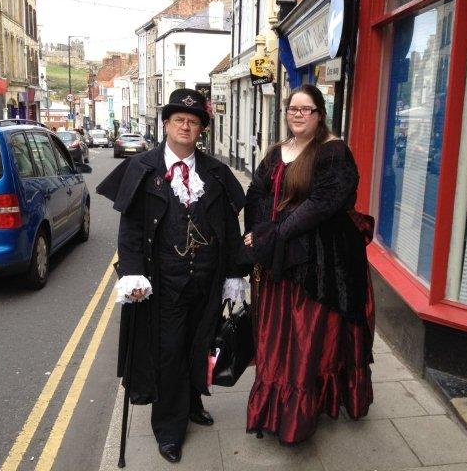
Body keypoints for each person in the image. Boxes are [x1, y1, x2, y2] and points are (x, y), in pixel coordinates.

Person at [96, 88, 249, 463]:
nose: (186, 125)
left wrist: (235, 272)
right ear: (165, 124)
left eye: (194, 122)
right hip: (163, 285)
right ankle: (168, 427)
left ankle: (193, 402)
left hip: (207, 282)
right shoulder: (143, 169)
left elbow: (229, 227)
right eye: (179, 119)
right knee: (168, 353)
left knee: (201, 344)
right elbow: (130, 230)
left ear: (201, 131)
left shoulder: (215, 173)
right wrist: (132, 275)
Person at [243, 84, 376, 445]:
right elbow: (255, 194)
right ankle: (272, 407)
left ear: (320, 114)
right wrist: (257, 231)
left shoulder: (333, 152)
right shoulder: (276, 152)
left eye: (306, 109)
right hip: (278, 260)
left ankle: (297, 415)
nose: (298, 114)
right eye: (292, 109)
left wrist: (275, 234)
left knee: (303, 340)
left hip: (315, 265)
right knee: (274, 338)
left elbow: (322, 204)